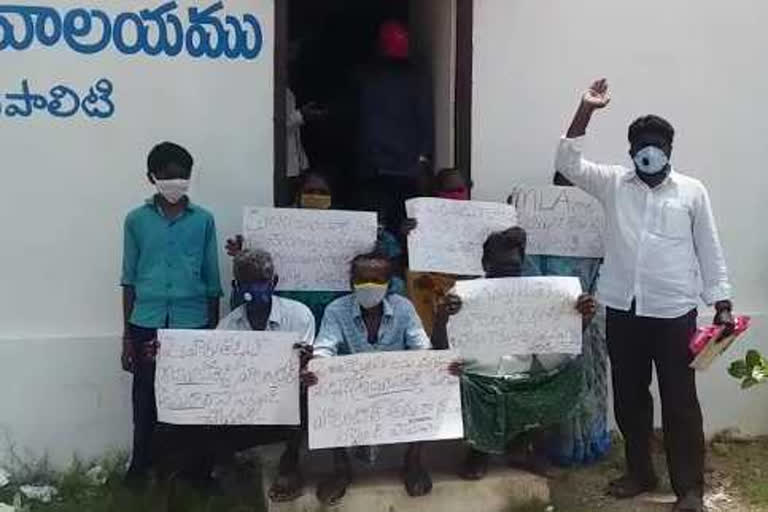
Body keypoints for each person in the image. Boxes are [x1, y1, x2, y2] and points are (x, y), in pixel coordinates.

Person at [555, 79, 734, 512]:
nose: (647, 153)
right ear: (631, 150)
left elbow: (708, 247)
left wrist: (722, 302)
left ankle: (688, 489)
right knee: (630, 398)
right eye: (640, 146)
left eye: (654, 146)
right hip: (623, 309)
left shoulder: (692, 191)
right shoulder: (615, 183)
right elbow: (568, 162)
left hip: (675, 313)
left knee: (680, 402)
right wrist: (586, 110)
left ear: (668, 150)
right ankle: (640, 472)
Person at [432, 227, 597, 480]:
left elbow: (562, 341)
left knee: (566, 374)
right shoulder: (462, 296)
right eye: (501, 269)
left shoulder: (539, 294)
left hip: (522, 371)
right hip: (477, 375)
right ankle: (479, 452)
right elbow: (439, 348)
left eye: (513, 268)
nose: (508, 277)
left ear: (521, 264)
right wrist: (442, 317)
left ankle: (522, 449)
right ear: (485, 263)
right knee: (466, 385)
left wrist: (582, 317)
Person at [120, 142, 222, 489]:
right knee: (145, 397)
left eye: (182, 174)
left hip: (192, 321)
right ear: (152, 177)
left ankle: (196, 470)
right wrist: (126, 336)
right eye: (168, 175)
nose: (176, 181)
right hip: (146, 319)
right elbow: (129, 278)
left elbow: (212, 280)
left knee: (193, 396)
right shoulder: (136, 220)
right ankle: (141, 467)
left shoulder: (204, 220)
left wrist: (212, 330)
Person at [303, 250, 435, 505]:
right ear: (351, 282)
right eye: (362, 280)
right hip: (353, 390)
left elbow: (422, 348)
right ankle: (340, 467)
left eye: (377, 281)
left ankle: (413, 460)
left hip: (395, 387)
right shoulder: (336, 310)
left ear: (389, 284)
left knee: (435, 379)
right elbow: (324, 348)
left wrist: (435, 366)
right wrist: (316, 367)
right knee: (319, 382)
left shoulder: (404, 307)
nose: (369, 287)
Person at [226, 170, 404, 327]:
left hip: (336, 310)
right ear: (298, 194)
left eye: (322, 192)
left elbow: (386, 261)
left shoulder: (350, 227)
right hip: (289, 312)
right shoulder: (276, 225)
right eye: (310, 191)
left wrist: (401, 235)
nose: (316, 196)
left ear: (332, 196)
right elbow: (256, 269)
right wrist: (245, 254)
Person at [515, 187, 612, 466]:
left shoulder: (596, 229)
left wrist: (591, 307)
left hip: (587, 318)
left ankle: (585, 444)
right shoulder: (532, 223)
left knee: (583, 382)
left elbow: (606, 273)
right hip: (542, 319)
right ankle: (549, 445)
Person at [216, 249, 315, 502]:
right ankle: (228, 466)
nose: (255, 289)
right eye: (247, 282)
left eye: (261, 281)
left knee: (305, 390)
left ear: (274, 283)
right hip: (246, 403)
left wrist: (303, 362)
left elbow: (305, 366)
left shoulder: (299, 315)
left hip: (286, 402)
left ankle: (290, 461)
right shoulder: (227, 327)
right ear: (237, 286)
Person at [354, 19, 434, 232]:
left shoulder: (368, 77)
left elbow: (361, 120)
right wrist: (423, 158)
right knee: (405, 226)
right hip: (407, 166)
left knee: (374, 228)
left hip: (374, 164)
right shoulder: (417, 78)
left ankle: (376, 262)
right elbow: (425, 118)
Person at [405, 168, 472, 335]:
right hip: (434, 280)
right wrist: (407, 234)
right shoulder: (422, 219)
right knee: (414, 277)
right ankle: (426, 338)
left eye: (459, 190)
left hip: (470, 277)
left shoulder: (484, 218)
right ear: (437, 193)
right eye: (448, 192)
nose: (455, 196)